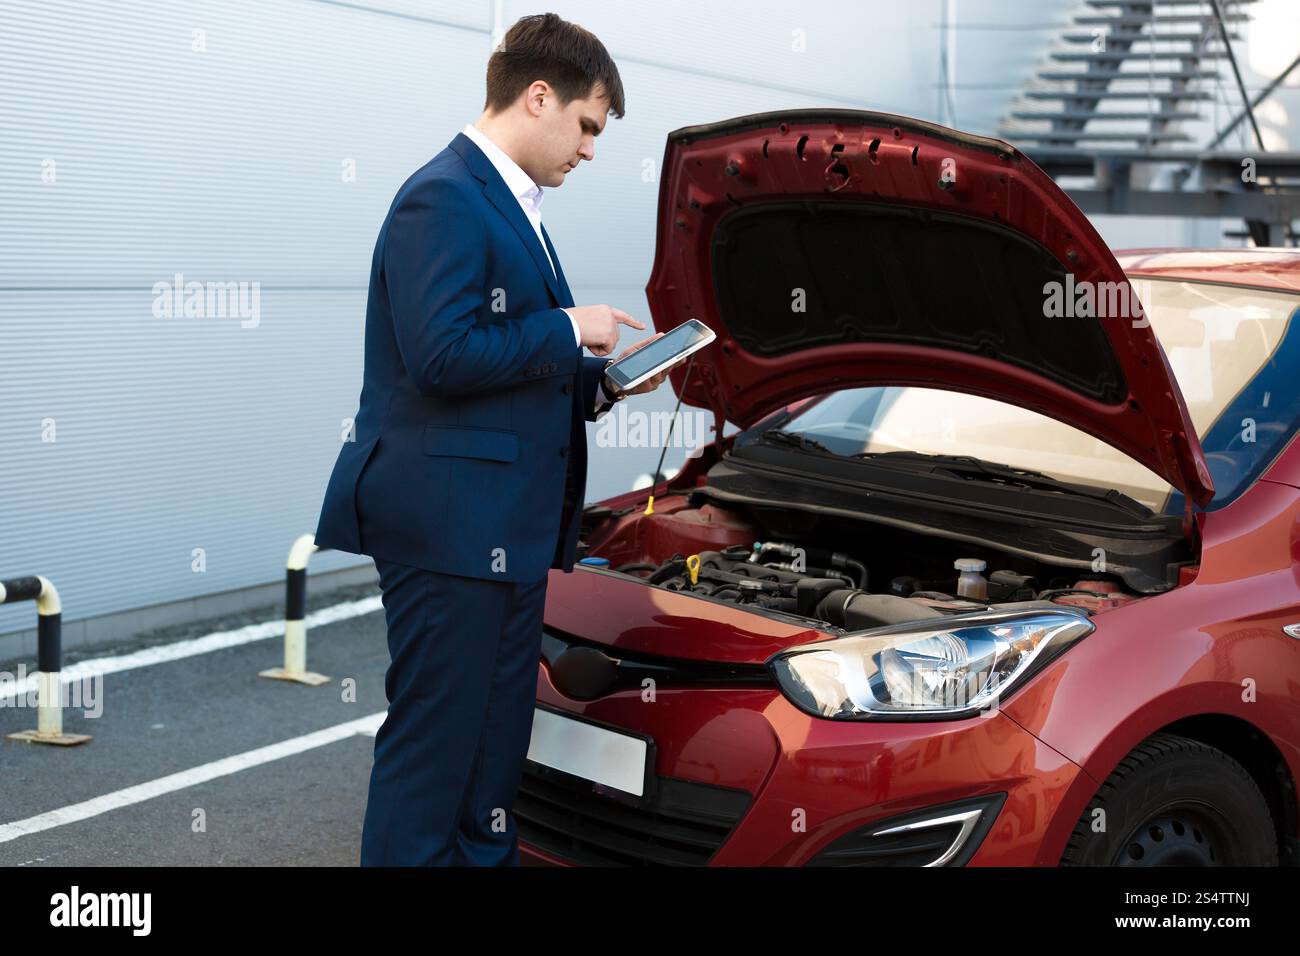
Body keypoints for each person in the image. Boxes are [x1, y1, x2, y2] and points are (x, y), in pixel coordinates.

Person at [313, 12, 679, 865]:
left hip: (502, 534)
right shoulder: (441, 196)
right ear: (539, 96)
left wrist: (603, 379)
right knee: (436, 757)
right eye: (587, 126)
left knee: (490, 762)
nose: (591, 149)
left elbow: (501, 371)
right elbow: (440, 356)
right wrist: (564, 331)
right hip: (451, 531)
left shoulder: (516, 203)